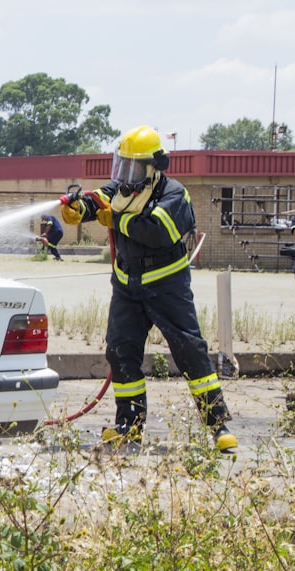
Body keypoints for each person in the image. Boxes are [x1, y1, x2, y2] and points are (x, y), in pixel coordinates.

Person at [59, 125, 237, 452]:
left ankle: (218, 425)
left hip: (167, 286)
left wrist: (116, 221)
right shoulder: (121, 189)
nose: (126, 173)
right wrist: (78, 209)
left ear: (154, 168)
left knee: (190, 351)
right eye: (122, 164)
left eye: (134, 166)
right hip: (128, 286)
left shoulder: (174, 195)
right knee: (121, 351)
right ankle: (129, 427)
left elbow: (158, 230)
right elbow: (98, 201)